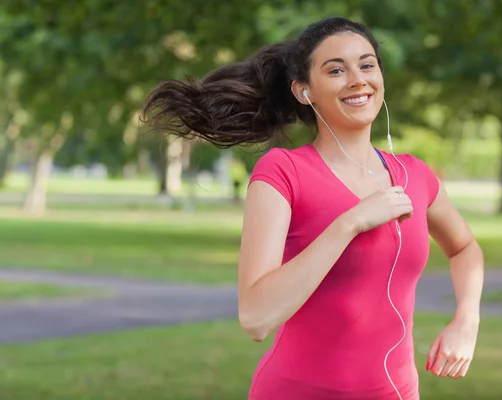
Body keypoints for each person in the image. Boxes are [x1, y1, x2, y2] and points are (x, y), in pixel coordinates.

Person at [142, 16, 484, 400]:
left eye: (367, 64)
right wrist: (350, 223)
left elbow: (465, 249)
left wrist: (466, 320)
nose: (357, 79)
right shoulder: (283, 171)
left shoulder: (414, 175)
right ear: (305, 91)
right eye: (336, 70)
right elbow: (256, 317)